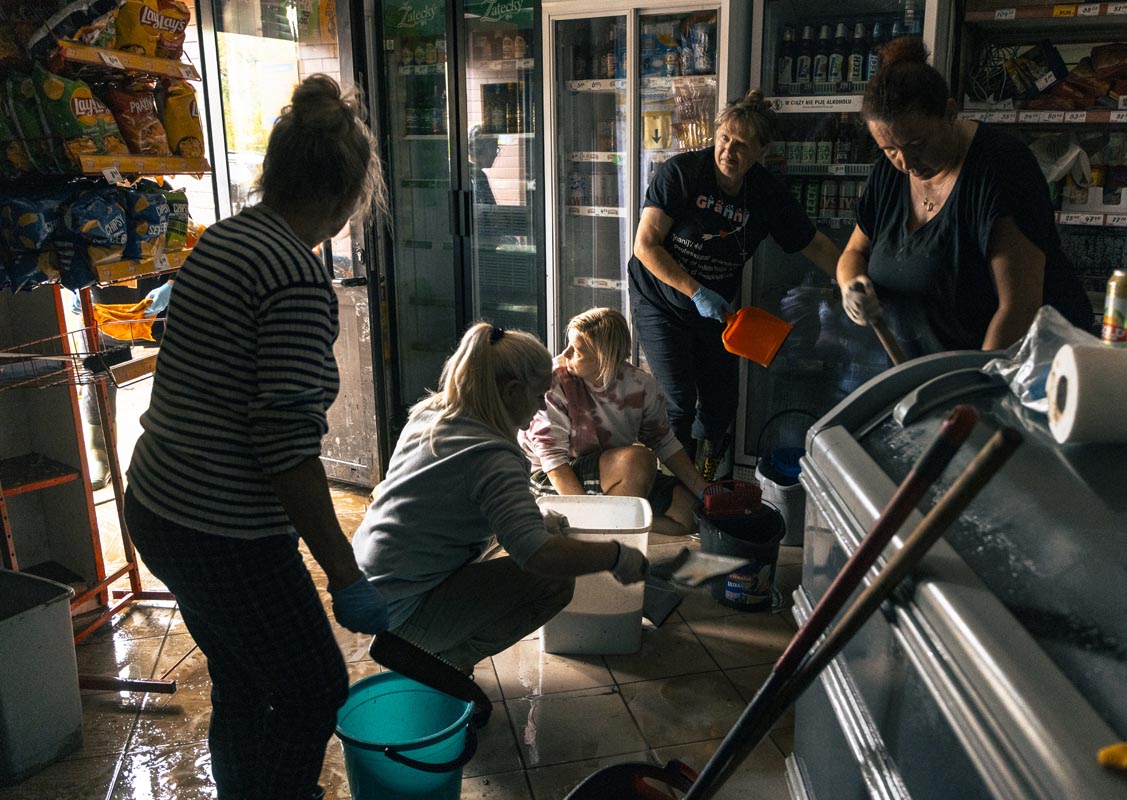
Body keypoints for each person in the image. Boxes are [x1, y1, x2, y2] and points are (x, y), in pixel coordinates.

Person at [122, 75, 389, 800]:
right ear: (345, 197)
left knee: (243, 678)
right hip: (222, 532)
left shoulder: (226, 238)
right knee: (312, 688)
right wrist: (345, 574)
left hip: (158, 504)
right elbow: (287, 450)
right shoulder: (294, 278)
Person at [353, 322, 649, 673]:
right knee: (552, 582)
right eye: (538, 396)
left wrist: (535, 520)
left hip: (370, 588)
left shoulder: (432, 414)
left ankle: (430, 652)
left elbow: (457, 502)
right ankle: (441, 667)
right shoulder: (492, 455)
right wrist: (616, 556)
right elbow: (538, 556)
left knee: (515, 541)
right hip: (400, 614)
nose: (542, 406)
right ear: (511, 392)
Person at [628, 88, 841, 481]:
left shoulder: (766, 193)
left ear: (761, 151)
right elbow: (645, 246)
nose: (728, 151)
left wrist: (852, 277)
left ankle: (705, 479)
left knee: (721, 404)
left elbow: (812, 243)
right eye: (724, 138)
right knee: (679, 400)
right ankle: (677, 491)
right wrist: (695, 291)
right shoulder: (682, 173)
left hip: (719, 311)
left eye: (742, 145)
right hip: (661, 301)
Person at [837, 36, 1093, 357]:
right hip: (931, 368)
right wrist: (851, 286)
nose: (906, 162)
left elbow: (1018, 309)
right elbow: (854, 251)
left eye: (917, 144)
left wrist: (972, 385)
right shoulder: (891, 172)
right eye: (889, 150)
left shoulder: (1002, 168)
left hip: (1023, 367)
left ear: (949, 112)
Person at [519, 307, 710, 537]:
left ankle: (609, 525)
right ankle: (601, 538)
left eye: (576, 351)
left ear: (604, 358)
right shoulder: (554, 380)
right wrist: (581, 512)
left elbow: (663, 442)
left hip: (610, 472)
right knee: (638, 460)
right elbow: (554, 462)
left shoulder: (640, 385)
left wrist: (705, 491)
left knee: (688, 513)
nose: (565, 354)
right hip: (552, 475)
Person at [72, 276, 172, 489]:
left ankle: (174, 454)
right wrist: (72, 286)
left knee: (173, 380)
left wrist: (173, 284)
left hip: (157, 312)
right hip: (100, 315)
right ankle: (101, 456)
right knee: (96, 384)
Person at [468, 124, 499, 205]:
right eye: (493, 147)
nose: (495, 154)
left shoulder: (473, 173)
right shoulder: (476, 175)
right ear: (481, 148)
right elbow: (490, 209)